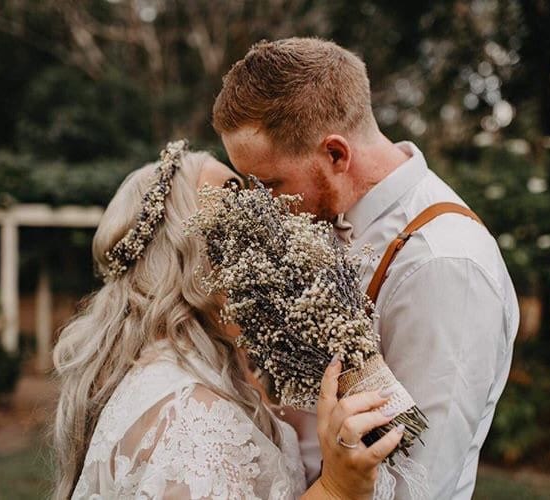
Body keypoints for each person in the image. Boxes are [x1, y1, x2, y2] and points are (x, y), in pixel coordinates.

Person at [213, 38, 520, 499]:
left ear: (336, 155)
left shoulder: (442, 264)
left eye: (271, 183)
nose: (262, 205)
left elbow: (417, 484)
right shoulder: (323, 226)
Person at [52, 140, 406, 500]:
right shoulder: (186, 418)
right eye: (235, 207)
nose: (267, 223)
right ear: (188, 257)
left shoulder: (192, 377)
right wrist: (337, 489)